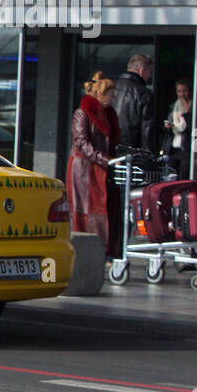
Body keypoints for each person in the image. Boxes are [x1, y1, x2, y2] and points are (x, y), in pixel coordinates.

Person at [66, 71, 121, 258]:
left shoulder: (109, 114)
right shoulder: (82, 113)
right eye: (110, 93)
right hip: (84, 171)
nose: (113, 97)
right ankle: (88, 252)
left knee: (104, 209)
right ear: (100, 94)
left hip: (102, 168)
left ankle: (105, 251)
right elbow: (82, 143)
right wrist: (106, 159)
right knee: (86, 211)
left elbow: (112, 141)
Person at [113, 53, 157, 152]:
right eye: (149, 72)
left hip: (108, 151)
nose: (150, 76)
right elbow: (147, 130)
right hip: (132, 152)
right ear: (142, 71)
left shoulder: (109, 88)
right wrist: (148, 154)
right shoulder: (144, 94)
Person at [162, 80, 192, 177]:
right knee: (170, 177)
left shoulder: (195, 106)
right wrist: (168, 127)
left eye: (185, 91)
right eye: (179, 91)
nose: (182, 94)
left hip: (188, 148)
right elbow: (167, 130)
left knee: (183, 177)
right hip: (173, 148)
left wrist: (187, 113)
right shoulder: (174, 106)